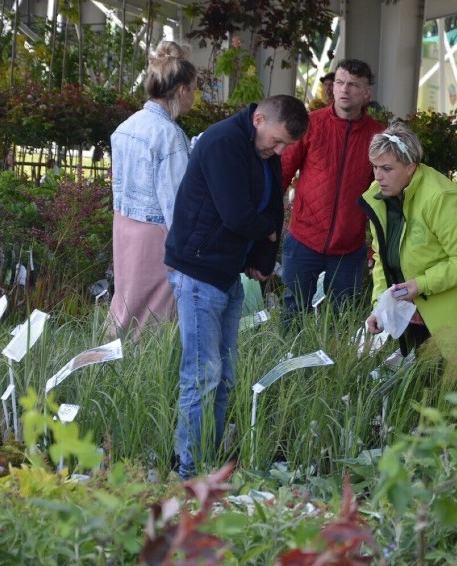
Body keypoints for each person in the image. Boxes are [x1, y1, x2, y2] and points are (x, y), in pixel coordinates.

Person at [164, 95, 309, 479]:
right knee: (201, 374)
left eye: (285, 147)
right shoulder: (224, 142)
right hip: (198, 269)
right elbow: (236, 214)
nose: (279, 151)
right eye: (277, 142)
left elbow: (272, 205)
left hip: (227, 271)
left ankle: (208, 460)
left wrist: (262, 258)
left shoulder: (262, 148)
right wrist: (267, 230)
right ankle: (189, 471)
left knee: (225, 374)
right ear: (258, 118)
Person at [359, 123, 457, 357]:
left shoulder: (441, 198)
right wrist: (380, 308)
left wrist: (420, 284)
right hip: (417, 316)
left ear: (411, 168)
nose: (378, 176)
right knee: (424, 390)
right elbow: (384, 259)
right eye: (375, 167)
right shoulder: (380, 196)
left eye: (387, 168)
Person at [280, 59, 385, 322]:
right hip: (303, 239)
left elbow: (384, 197)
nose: (344, 90)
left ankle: (335, 364)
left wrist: (376, 249)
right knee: (293, 315)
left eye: (353, 85)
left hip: (349, 249)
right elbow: (281, 173)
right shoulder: (310, 124)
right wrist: (266, 225)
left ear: (366, 93)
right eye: (339, 83)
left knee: (341, 321)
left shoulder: (378, 136)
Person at [109, 40, 197, 339]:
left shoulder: (126, 125)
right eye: (194, 89)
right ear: (182, 89)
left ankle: (110, 363)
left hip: (124, 226)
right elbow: (177, 203)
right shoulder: (170, 136)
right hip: (156, 233)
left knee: (126, 302)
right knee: (155, 317)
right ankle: (143, 375)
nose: (194, 97)